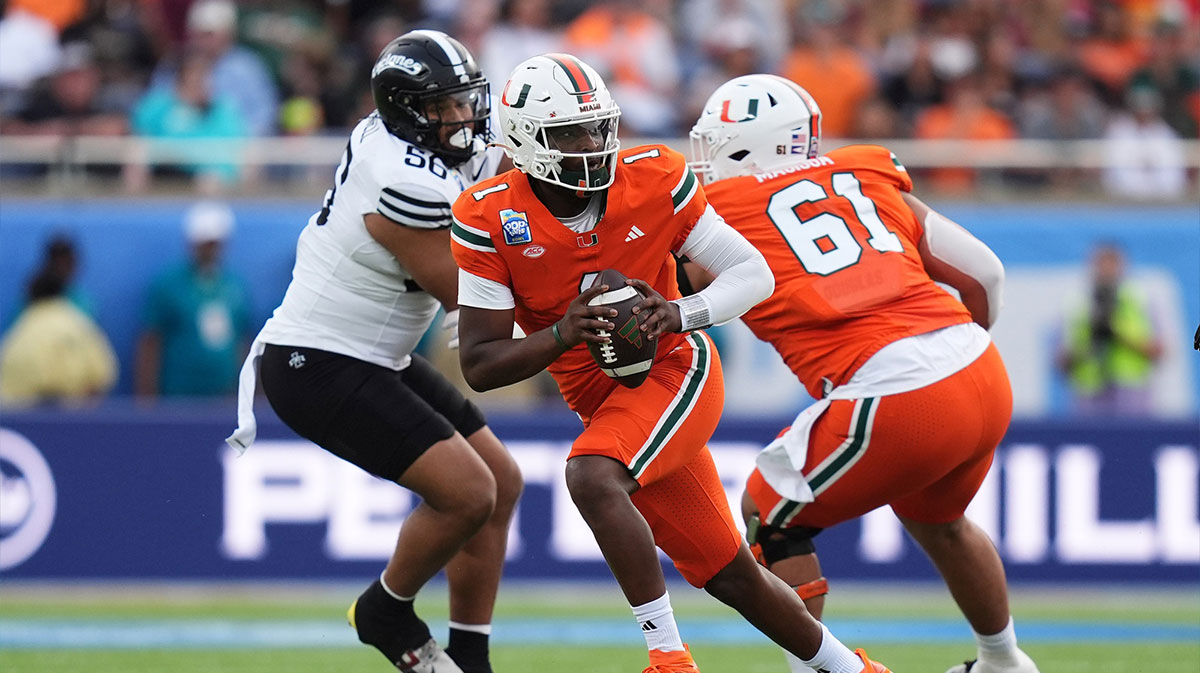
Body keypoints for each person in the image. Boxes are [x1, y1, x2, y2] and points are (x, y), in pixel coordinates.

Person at [452, 53, 889, 673]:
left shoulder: (654, 177)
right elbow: (480, 363)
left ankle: (667, 657)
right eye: (569, 133)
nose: (592, 144)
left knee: (592, 477)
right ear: (525, 143)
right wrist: (563, 332)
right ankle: (857, 670)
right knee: (731, 575)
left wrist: (678, 314)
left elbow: (751, 272)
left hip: (674, 367)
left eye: (598, 126)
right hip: (600, 399)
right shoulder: (486, 214)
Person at [685, 74, 1040, 673]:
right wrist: (952, 353)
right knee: (939, 522)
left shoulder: (721, 212)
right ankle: (1004, 662)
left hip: (899, 387)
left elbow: (670, 292)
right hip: (979, 369)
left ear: (745, 148)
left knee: (769, 512)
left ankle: (818, 670)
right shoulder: (865, 175)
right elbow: (986, 274)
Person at [225, 30, 520, 673]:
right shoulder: (402, 180)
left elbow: (492, 180)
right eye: (445, 107)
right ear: (410, 114)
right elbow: (469, 298)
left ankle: (471, 656)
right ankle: (386, 607)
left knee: (503, 482)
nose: (464, 118)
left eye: (466, 101)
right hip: (319, 362)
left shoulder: (407, 144)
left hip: (371, 353)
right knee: (468, 493)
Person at [135, 201, 250, 399]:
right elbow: (150, 341)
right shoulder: (169, 285)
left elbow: (242, 341)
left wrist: (246, 392)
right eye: (206, 243)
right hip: (179, 397)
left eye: (216, 243)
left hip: (224, 397)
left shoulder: (235, 285)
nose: (212, 249)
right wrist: (146, 397)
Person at [1057, 241, 1163, 417]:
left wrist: (1117, 332)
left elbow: (1158, 351)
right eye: (1101, 264)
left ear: (1122, 267)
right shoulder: (1077, 304)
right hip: (1088, 395)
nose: (1106, 271)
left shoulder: (1140, 300)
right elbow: (1061, 361)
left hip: (1132, 395)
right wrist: (1091, 342)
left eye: (1111, 264)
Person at [0, 270, 117, 406]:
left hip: (18, 416)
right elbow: (103, 375)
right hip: (71, 414)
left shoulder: (19, 331)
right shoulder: (78, 323)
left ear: (30, 296)